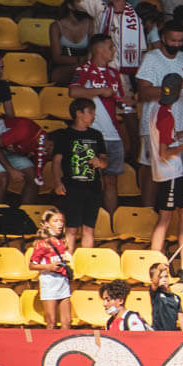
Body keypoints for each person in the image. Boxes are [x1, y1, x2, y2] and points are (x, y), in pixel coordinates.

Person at [40, 0, 146, 90]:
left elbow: (141, 54)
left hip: (121, 76)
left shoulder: (134, 21)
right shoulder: (100, 8)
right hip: (95, 71)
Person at [136, 20, 183, 213]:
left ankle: (171, 214)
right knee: (151, 169)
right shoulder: (151, 58)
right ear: (163, 38)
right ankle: (148, 212)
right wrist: (172, 88)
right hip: (155, 123)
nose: (177, 44)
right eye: (173, 40)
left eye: (180, 41)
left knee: (176, 172)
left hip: (181, 124)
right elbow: (143, 92)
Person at [148, 74, 183, 277]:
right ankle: (154, 265)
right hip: (169, 172)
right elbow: (164, 152)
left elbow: (167, 138)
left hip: (173, 172)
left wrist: (182, 135)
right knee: (165, 217)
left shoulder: (158, 110)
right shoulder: (165, 116)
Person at [68, 34, 129, 215]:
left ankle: (110, 222)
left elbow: (120, 102)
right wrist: (100, 91)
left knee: (111, 181)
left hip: (113, 134)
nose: (113, 50)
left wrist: (126, 102)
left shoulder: (114, 74)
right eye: (110, 47)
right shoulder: (83, 69)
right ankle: (87, 221)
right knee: (86, 180)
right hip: (90, 134)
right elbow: (73, 92)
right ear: (98, 49)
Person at [52, 98, 107, 252]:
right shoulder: (64, 135)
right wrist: (57, 182)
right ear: (78, 113)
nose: (94, 116)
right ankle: (68, 262)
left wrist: (100, 162)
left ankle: (87, 262)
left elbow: (105, 160)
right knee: (71, 229)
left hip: (93, 187)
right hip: (72, 187)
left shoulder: (96, 135)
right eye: (90, 112)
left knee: (89, 229)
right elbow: (56, 162)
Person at [0, 116, 50, 205]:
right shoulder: (24, 130)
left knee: (33, 178)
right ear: (50, 144)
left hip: (7, 146)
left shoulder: (44, 148)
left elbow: (37, 174)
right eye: (51, 152)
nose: (49, 155)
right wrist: (11, 170)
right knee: (2, 178)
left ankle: (25, 211)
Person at [29, 209, 73, 329]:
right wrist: (49, 267)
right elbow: (32, 265)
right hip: (49, 283)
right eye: (55, 221)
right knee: (51, 321)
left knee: (67, 321)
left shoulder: (62, 242)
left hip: (63, 282)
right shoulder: (42, 244)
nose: (60, 224)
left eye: (61, 221)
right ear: (47, 224)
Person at [49, 0, 93, 85]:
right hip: (62, 68)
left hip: (85, 66)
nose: (84, 7)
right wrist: (81, 60)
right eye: (80, 4)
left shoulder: (90, 24)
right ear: (70, 6)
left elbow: (93, 51)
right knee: (79, 71)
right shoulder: (56, 26)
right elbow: (57, 58)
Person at [149, 262, 183, 331]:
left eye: (166, 276)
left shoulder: (176, 297)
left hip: (172, 332)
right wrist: (159, 269)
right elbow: (155, 283)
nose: (164, 280)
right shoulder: (156, 293)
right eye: (160, 277)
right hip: (158, 332)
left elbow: (181, 317)